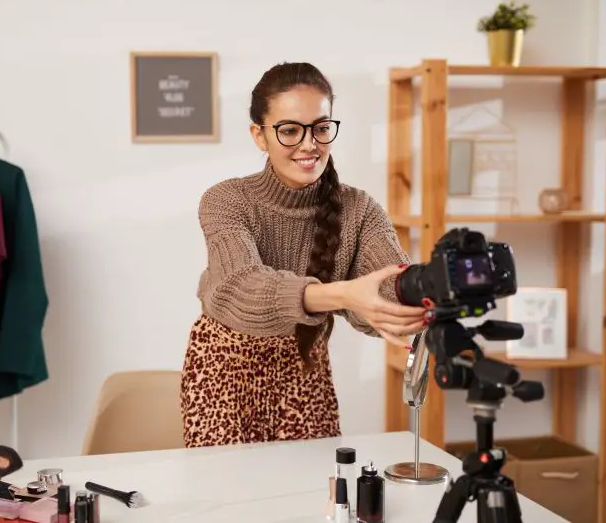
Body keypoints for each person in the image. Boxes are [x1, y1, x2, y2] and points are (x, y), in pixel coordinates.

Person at [180, 62, 427, 449]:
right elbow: (239, 287)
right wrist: (343, 295)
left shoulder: (359, 209)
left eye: (321, 128)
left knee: (312, 496)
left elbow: (385, 291)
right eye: (290, 130)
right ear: (259, 135)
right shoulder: (226, 200)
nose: (309, 144)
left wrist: (427, 290)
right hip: (223, 376)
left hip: (305, 373)